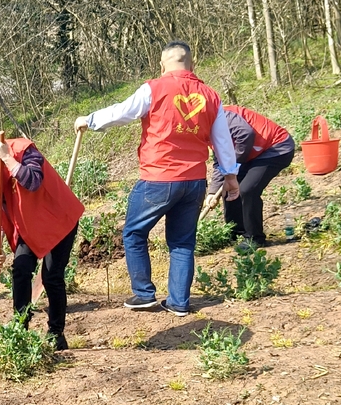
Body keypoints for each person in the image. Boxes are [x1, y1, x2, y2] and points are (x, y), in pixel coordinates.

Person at [74, 41, 241, 316]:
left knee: (134, 232)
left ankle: (144, 294)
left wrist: (89, 120)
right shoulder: (210, 96)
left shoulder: (154, 88)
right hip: (194, 181)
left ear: (162, 65)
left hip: (158, 178)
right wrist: (230, 176)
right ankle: (179, 303)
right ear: (192, 64)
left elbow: (122, 112)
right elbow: (223, 141)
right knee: (183, 242)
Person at [0, 136, 85, 350]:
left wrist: (7, 158)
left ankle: (56, 335)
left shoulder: (22, 150)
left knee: (52, 277)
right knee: (21, 268)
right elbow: (0, 210)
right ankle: (20, 330)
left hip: (58, 218)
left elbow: (33, 181)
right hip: (30, 225)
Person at [208, 106, 296, 248]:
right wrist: (213, 192)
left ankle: (255, 238)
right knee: (229, 186)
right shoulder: (205, 131)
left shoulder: (221, 116)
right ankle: (235, 232)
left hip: (275, 148)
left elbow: (246, 134)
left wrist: (231, 167)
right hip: (250, 153)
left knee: (247, 189)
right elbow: (220, 161)